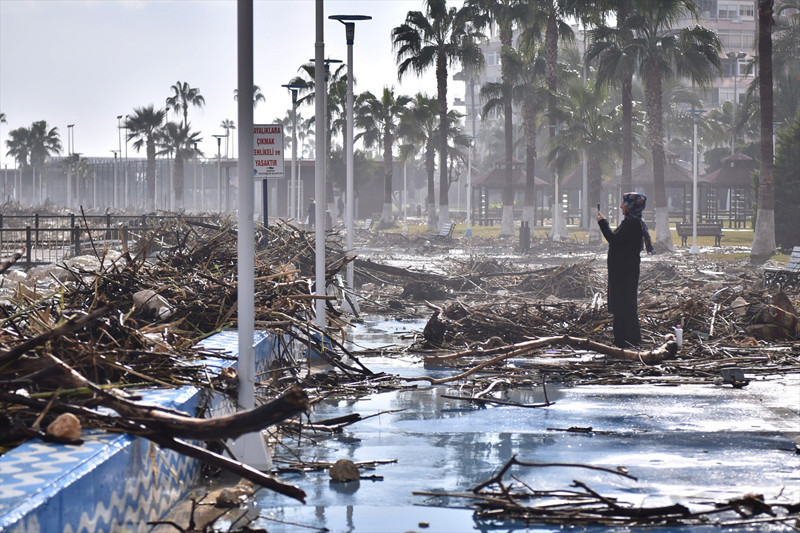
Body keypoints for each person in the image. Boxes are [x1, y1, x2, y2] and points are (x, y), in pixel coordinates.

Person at [596, 192, 654, 348]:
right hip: (624, 271)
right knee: (623, 306)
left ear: (630, 207)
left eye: (624, 204)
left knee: (624, 306)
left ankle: (627, 341)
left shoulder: (632, 224)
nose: (621, 206)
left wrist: (602, 223)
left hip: (624, 272)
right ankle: (624, 340)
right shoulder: (631, 222)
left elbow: (613, 239)